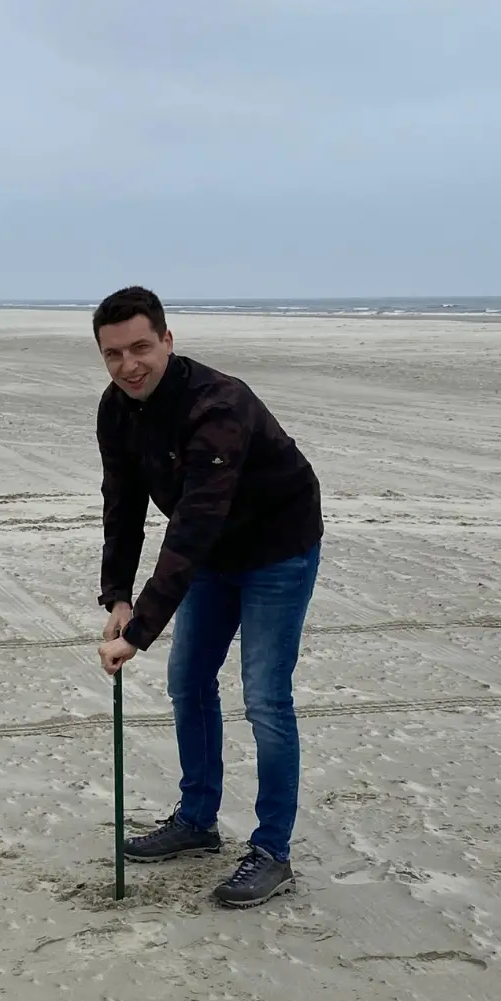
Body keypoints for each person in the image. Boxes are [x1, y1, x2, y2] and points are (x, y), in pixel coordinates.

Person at [94, 286, 323, 907]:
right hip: (213, 554)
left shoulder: (218, 405)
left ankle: (272, 852)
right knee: (189, 682)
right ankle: (197, 821)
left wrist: (139, 632)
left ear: (168, 341)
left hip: (278, 547)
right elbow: (123, 504)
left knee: (265, 698)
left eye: (141, 348)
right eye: (113, 354)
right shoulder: (116, 408)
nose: (129, 365)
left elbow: (193, 526)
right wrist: (118, 597)